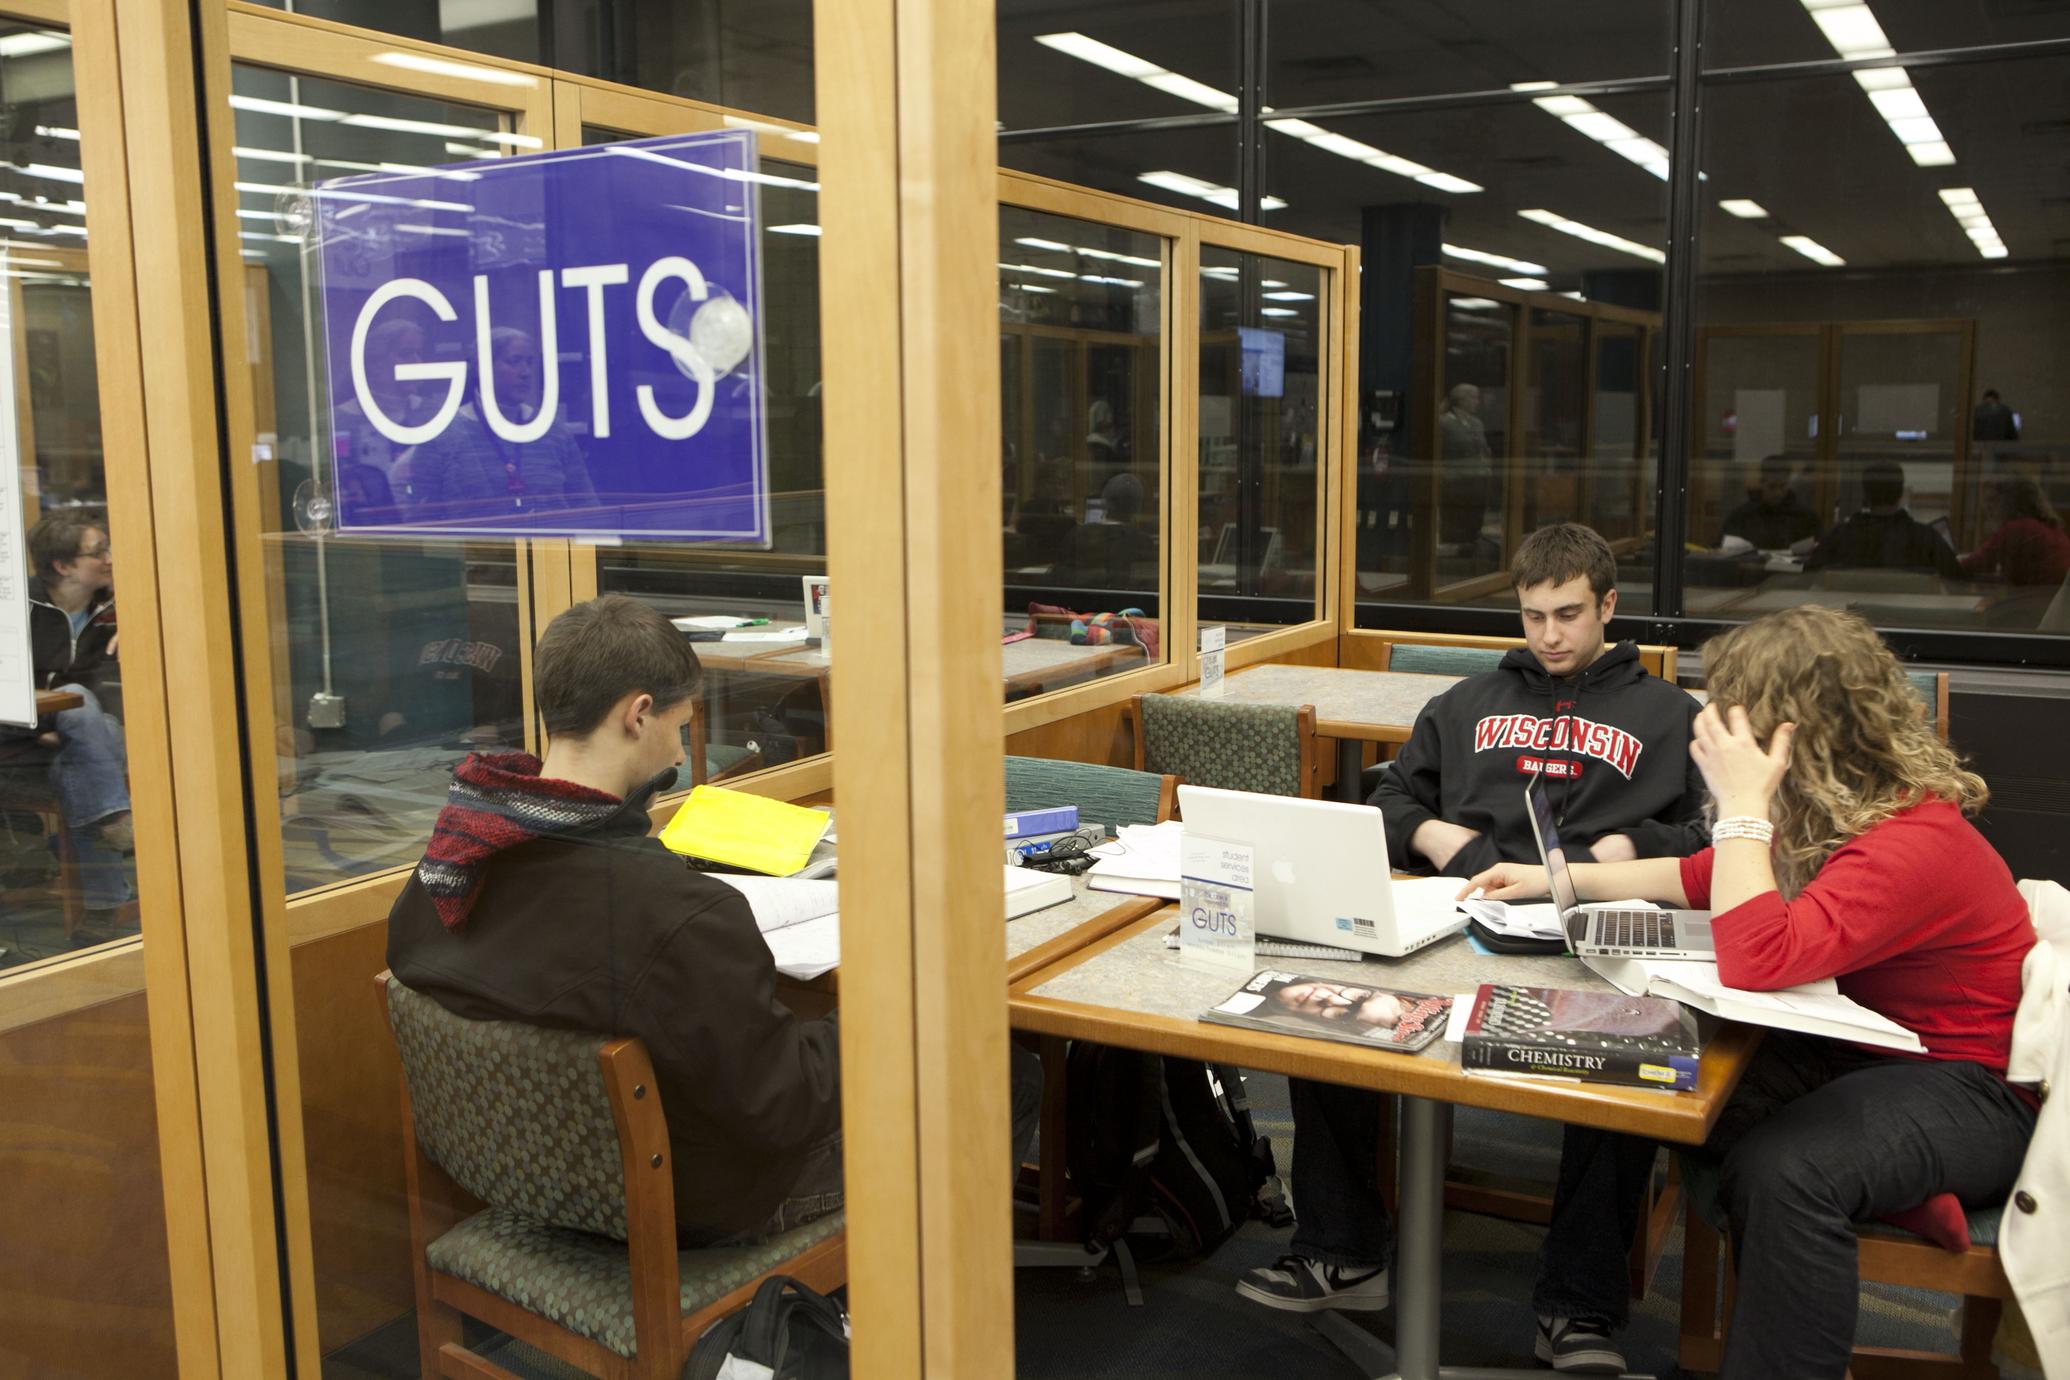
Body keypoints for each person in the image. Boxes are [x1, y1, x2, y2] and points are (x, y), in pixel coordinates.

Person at [1462, 604, 2036, 1379]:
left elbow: (1756, 955)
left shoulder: (1913, 842)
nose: (1716, 732)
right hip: (1861, 1049)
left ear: (1791, 732)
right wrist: (1557, 878)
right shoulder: (1839, 813)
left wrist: (1740, 809)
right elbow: (1701, 879)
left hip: (1962, 1084)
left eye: (1736, 720)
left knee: (1785, 1172)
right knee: (1622, 1058)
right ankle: (1579, 1305)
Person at [387, 595, 1039, 1242]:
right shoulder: (673, 914)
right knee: (1002, 1068)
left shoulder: (453, 862)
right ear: (638, 715)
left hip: (523, 1181)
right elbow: (789, 1107)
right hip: (697, 1206)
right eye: (681, 726)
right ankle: (916, 1321)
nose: (679, 755)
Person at [1235, 524, 1708, 1347]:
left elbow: (1712, 838)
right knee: (1321, 1017)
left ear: (1608, 606)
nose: (1551, 636)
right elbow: (1387, 806)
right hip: (1457, 920)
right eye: (1533, 617)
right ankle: (1344, 1252)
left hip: (1593, 939)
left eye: (1568, 614)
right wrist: (1441, 840)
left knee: (1627, 1068)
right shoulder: (1463, 705)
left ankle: (1579, 1305)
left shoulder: (1672, 716)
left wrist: (1614, 857)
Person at [17, 514, 135, 917]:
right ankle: (106, 901)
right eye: (98, 551)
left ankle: (109, 821)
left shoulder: (117, 603)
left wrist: (143, 617)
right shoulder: (16, 606)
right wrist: (41, 732)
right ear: (63, 566)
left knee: (83, 759)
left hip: (87, 738)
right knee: (76, 699)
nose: (110, 559)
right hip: (24, 742)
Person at [400, 327, 597, 524]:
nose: (526, 372)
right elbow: (421, 518)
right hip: (477, 553)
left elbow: (588, 509)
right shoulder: (443, 434)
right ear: (481, 367)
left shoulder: (553, 431)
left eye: (530, 362)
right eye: (514, 361)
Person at [1804, 460, 1962, 580]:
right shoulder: (1926, 538)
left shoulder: (1839, 536)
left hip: (1848, 618)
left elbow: (1810, 574)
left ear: (1865, 495)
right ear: (1900, 493)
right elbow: (1956, 578)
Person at [1960, 475, 2070, 588]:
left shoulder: (2018, 528)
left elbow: (1973, 565)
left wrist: (1952, 562)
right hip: (2049, 599)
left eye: (1992, 499)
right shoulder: (2046, 526)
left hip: (2038, 600)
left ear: (2007, 502)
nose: (1986, 507)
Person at [1054, 472, 1157, 589]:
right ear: (1138, 507)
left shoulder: (1075, 535)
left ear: (1103, 502)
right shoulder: (1142, 542)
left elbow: (1056, 580)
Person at [1720, 454, 1819, 552]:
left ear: (1789, 483)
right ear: (1761, 483)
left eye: (1782, 487)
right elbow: (1721, 549)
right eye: (1772, 487)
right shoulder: (1742, 516)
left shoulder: (1804, 516)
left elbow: (1819, 548)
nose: (1778, 493)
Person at [1436, 382, 1493, 550]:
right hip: (1455, 482)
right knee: (1456, 518)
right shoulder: (1444, 423)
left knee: (1475, 518)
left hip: (1478, 481)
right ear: (1461, 400)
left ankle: (1471, 545)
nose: (1477, 402)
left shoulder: (1477, 423)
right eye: (1474, 398)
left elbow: (1483, 450)